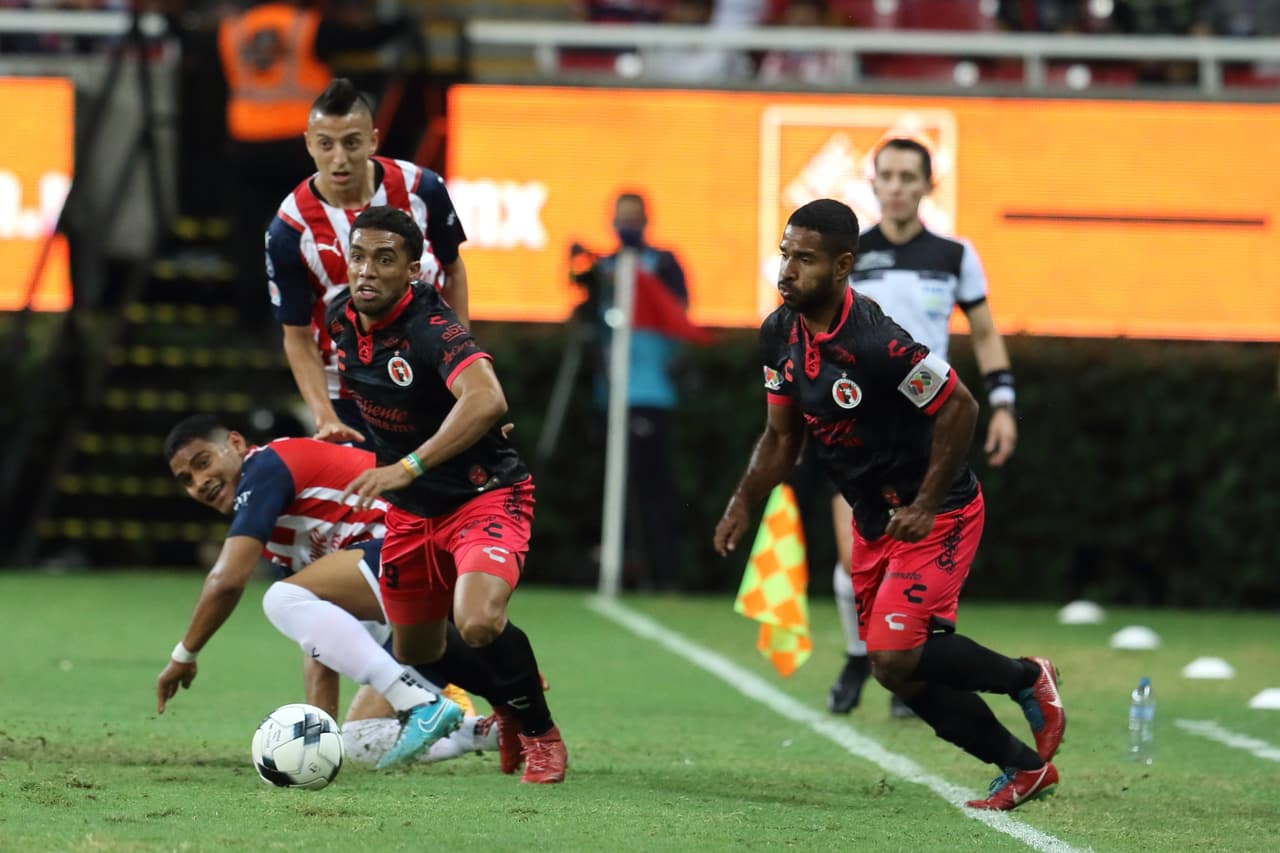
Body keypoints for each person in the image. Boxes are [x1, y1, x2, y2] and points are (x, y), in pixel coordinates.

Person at [713, 199, 1064, 811]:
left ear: (843, 265)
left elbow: (961, 407)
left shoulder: (876, 341)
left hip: (939, 510)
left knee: (893, 651)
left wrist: (928, 503)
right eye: (785, 254)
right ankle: (1023, 767)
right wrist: (744, 498)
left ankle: (1028, 678)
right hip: (877, 520)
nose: (788, 271)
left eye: (806, 259)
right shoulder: (779, 333)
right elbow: (781, 437)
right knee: (894, 668)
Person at [328, 205, 567, 783]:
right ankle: (511, 700)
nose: (366, 270)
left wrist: (407, 464)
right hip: (412, 511)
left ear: (412, 271)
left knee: (479, 619)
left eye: (384, 260)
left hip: (482, 495)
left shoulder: (433, 327)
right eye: (358, 256)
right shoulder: (340, 318)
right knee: (415, 650)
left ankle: (540, 733)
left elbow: (486, 399)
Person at [155, 415, 482, 767]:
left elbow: (226, 582)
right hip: (414, 584)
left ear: (236, 444)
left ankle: (421, 703)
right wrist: (316, 740)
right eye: (186, 480)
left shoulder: (265, 467)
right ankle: (484, 731)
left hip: (418, 546)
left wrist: (184, 657)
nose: (200, 482)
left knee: (280, 598)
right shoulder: (280, 525)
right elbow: (320, 641)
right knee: (359, 741)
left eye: (203, 463)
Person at [827, 136, 1019, 719]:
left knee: (922, 553)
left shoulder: (954, 254)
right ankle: (861, 655)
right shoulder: (847, 254)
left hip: (930, 428)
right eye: (888, 175)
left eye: (910, 176)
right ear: (874, 184)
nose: (898, 186)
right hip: (857, 428)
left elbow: (983, 333)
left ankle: (910, 667)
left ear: (928, 186)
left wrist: (1004, 402)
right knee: (854, 557)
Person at [267, 77, 470, 444]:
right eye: (326, 145)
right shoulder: (290, 230)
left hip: (430, 381)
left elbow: (453, 271)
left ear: (373, 141)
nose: (339, 158)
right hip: (351, 398)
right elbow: (296, 336)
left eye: (352, 142)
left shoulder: (422, 189)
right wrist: (324, 417)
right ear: (310, 143)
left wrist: (462, 364)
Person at [581, 192, 691, 589]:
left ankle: (664, 575)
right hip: (609, 396)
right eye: (621, 218)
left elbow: (679, 317)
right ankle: (614, 568)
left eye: (634, 218)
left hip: (650, 394)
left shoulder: (662, 265)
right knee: (610, 492)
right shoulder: (603, 267)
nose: (626, 226)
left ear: (647, 219)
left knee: (654, 489)